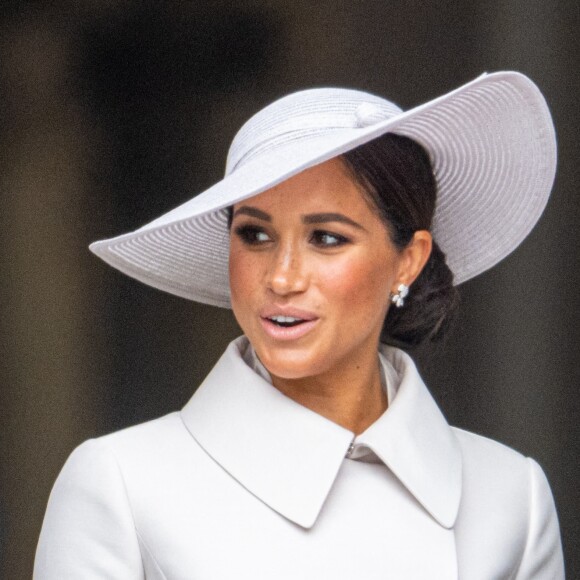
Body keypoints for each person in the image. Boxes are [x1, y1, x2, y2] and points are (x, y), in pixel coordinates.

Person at [34, 71, 564, 579]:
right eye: (255, 235)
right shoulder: (121, 486)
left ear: (409, 259)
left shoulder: (511, 498)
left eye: (327, 238)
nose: (282, 277)